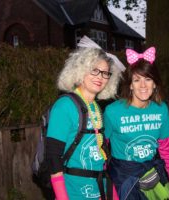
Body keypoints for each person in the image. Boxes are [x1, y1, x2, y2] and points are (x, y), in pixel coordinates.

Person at [104, 47, 169, 200]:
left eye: (148, 79)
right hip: (123, 179)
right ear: (130, 85)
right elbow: (101, 148)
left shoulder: (161, 109)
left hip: (151, 176)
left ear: (155, 83)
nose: (143, 86)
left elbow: (167, 150)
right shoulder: (112, 112)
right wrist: (103, 181)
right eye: (137, 80)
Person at [46, 36, 123, 200]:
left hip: (100, 187)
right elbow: (53, 158)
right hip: (74, 192)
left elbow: (101, 155)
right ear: (81, 70)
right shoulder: (64, 106)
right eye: (94, 70)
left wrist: (112, 194)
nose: (100, 77)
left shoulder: (95, 107)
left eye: (105, 73)